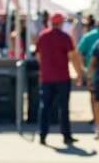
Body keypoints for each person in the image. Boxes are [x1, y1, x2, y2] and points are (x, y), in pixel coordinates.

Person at [35, 12, 83, 145]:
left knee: (45, 107)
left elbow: (38, 56)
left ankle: (42, 135)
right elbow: (73, 57)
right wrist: (79, 74)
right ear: (61, 23)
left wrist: (44, 68)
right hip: (62, 77)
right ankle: (66, 136)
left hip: (46, 78)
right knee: (64, 108)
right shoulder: (64, 37)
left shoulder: (43, 36)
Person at [78, 18, 99, 124]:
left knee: (93, 95)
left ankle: (96, 118)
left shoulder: (88, 36)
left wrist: (83, 67)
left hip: (92, 70)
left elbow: (79, 52)